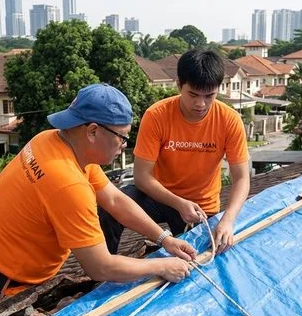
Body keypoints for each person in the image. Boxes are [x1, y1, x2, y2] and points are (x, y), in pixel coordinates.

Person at [0, 83, 197, 315]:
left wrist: (164, 239)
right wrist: (163, 266)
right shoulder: (67, 183)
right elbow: (100, 267)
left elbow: (113, 199)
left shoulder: (52, 141)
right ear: (92, 131)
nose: (124, 145)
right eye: (122, 137)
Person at [99, 49, 250, 255]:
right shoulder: (157, 115)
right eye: (193, 94)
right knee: (109, 207)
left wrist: (228, 220)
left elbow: (241, 178)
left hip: (200, 208)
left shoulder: (229, 120)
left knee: (198, 259)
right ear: (179, 85)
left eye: (209, 96)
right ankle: (107, 268)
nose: (200, 104)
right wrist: (178, 202)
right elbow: (142, 177)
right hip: (158, 196)